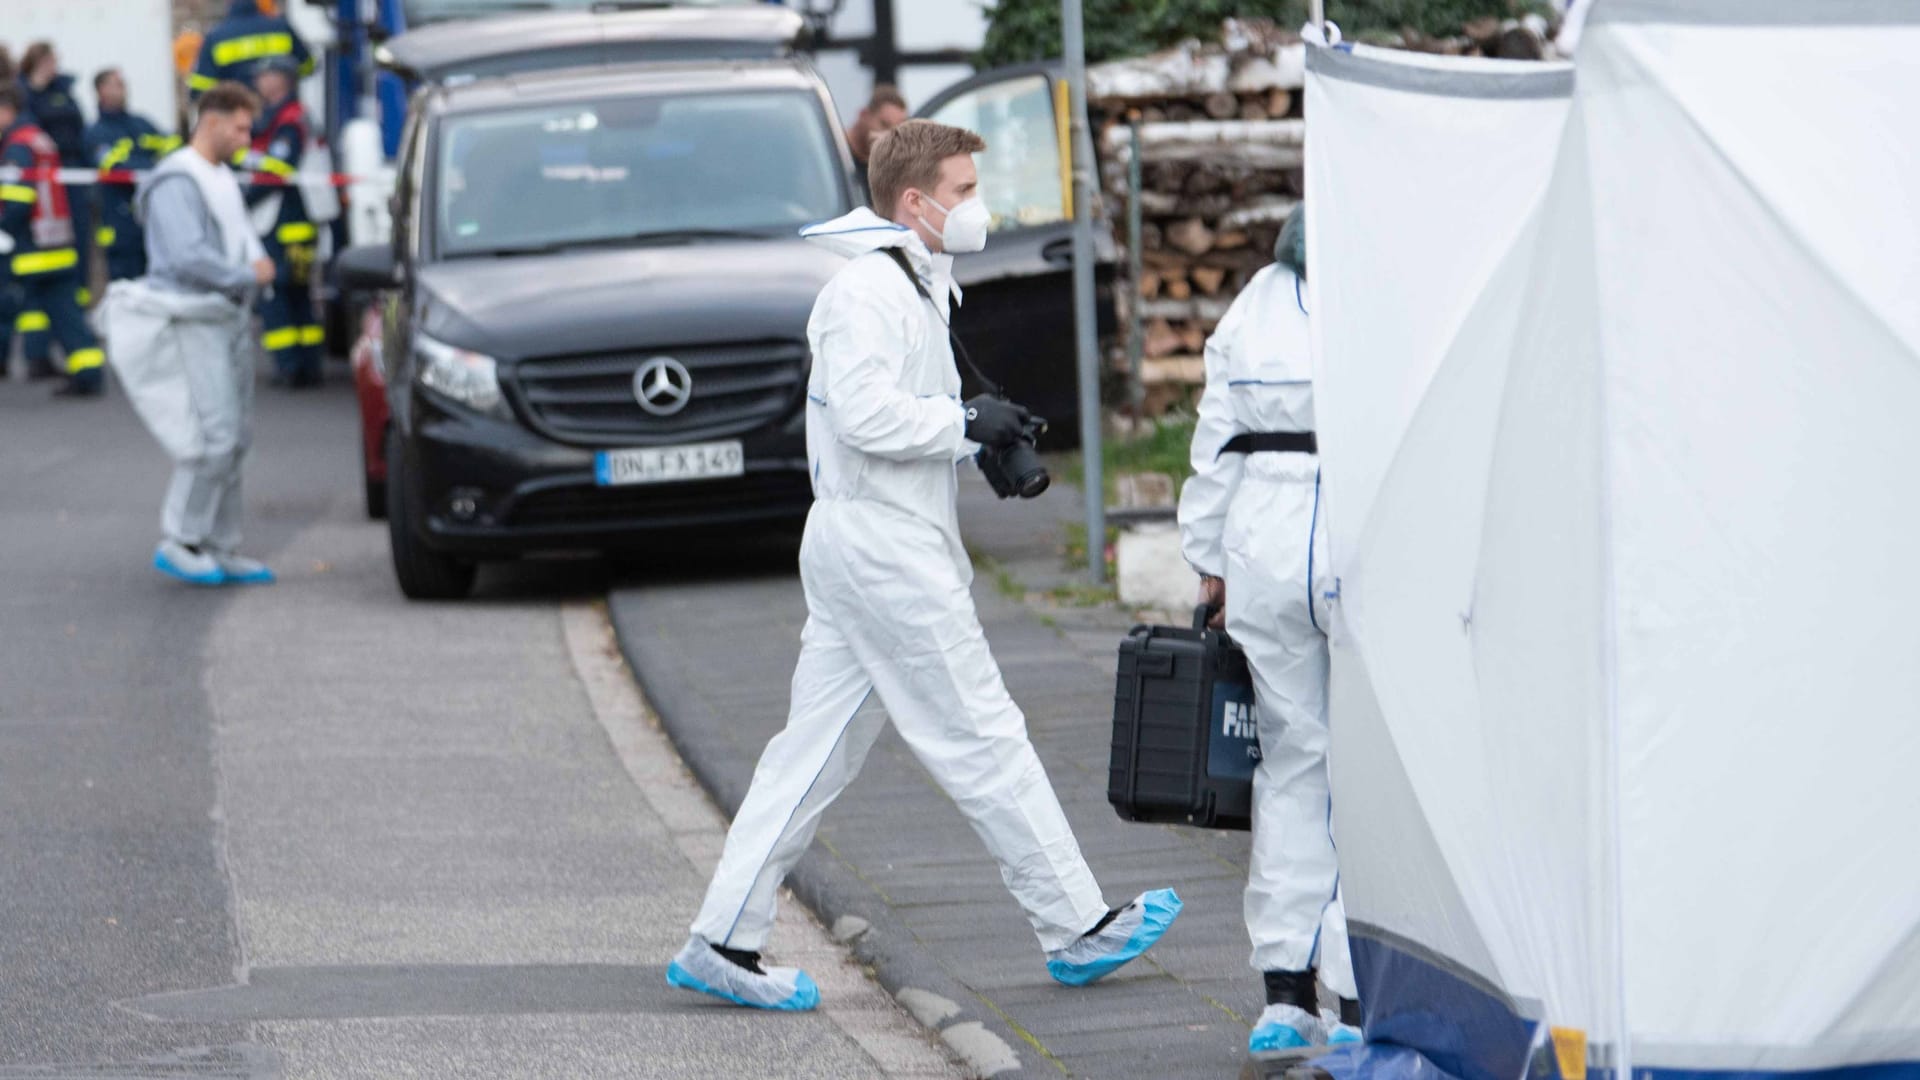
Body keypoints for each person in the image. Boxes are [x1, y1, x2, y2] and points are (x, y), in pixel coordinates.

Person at [668, 119, 1182, 1011]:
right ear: (915, 202)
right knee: (982, 733)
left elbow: (895, 414)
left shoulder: (912, 282)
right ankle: (1072, 924)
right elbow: (866, 416)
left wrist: (972, 436)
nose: (978, 207)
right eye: (964, 190)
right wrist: (959, 428)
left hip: (871, 544)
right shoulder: (868, 292)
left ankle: (721, 938)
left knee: (811, 758)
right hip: (882, 550)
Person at [1177, 205, 1364, 1056]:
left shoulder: (1253, 302)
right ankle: (1359, 992)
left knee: (1290, 760)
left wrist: (1208, 560)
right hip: (1361, 534)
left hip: (1264, 541)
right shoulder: (1387, 289)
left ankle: (1284, 996)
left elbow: (1215, 444)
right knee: (1373, 779)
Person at [108, 81, 277, 586]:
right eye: (242, 127)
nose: (248, 138)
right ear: (214, 122)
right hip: (194, 316)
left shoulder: (215, 175)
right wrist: (250, 275)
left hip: (222, 316)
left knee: (235, 437)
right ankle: (181, 539)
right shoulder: (178, 179)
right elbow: (185, 256)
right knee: (214, 434)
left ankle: (219, 544)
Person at [0, 83, 105, 397]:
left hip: (32, 246)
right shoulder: (39, 138)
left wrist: (3, 227)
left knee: (8, 303)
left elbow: (17, 199)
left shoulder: (18, 145)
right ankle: (85, 370)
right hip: (57, 241)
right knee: (64, 312)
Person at [243, 57, 321, 387]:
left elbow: (277, 170)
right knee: (297, 294)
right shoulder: (277, 117)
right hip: (287, 221)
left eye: (265, 75)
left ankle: (290, 366)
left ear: (281, 80)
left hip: (286, 222)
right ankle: (306, 365)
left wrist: (240, 199)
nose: (259, 81)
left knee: (279, 293)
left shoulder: (289, 118)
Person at [86, 68, 177, 282]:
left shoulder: (141, 124)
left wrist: (148, 165)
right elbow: (114, 167)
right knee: (125, 289)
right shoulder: (96, 132)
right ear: (101, 90)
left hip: (151, 223)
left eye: (123, 84)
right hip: (119, 226)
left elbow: (174, 149)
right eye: (116, 84)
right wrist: (153, 166)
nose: (123, 90)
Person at [189, 0, 313, 100]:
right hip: (281, 114)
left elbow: (200, 89)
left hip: (239, 114)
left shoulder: (215, 38)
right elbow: (308, 66)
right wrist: (285, 81)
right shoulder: (281, 27)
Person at [844, 84, 907, 204]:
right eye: (884, 125)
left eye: (896, 131)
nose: (888, 136)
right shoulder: (831, 152)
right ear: (864, 115)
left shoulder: (884, 165)